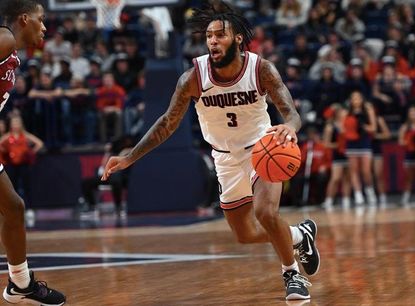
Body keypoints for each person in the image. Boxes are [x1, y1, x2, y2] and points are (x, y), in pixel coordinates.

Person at [101, 2, 319, 300]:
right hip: (224, 158)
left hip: (263, 148)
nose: (213, 41)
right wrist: (129, 157)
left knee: (266, 213)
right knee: (244, 235)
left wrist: (290, 128)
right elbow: (167, 123)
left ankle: (292, 275)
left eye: (220, 35)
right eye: (209, 36)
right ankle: (299, 235)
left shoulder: (261, 69)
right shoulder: (193, 78)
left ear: (238, 38)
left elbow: (291, 113)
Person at [0, 1, 65, 304]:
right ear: (25, 19)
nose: (45, 26)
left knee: (13, 207)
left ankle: (21, 284)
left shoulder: (11, 50)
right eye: (41, 19)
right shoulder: (5, 39)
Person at [0, 116, 43, 224]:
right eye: (14, 123)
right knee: (12, 189)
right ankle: (12, 210)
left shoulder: (25, 136)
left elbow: (39, 143)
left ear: (21, 124)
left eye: (17, 123)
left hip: (24, 165)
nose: (15, 125)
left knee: (27, 187)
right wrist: (4, 151)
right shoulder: (7, 137)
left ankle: (29, 209)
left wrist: (31, 152)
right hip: (12, 165)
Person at [343, 91, 377, 206]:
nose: (356, 100)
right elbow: (343, 129)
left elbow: (373, 128)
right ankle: (358, 195)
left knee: (366, 171)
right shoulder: (346, 112)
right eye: (354, 98)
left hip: (364, 142)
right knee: (354, 171)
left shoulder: (368, 110)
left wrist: (362, 126)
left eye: (358, 98)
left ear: (362, 99)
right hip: (351, 144)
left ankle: (370, 191)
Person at [321, 104, 351, 210]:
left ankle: (346, 200)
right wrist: (338, 145)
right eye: (342, 112)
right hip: (337, 154)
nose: (344, 114)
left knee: (347, 178)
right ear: (337, 114)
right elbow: (325, 143)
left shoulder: (347, 124)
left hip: (348, 154)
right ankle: (328, 200)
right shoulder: (330, 126)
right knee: (335, 178)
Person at [372, 114, 391, 206]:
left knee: (378, 174)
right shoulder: (358, 118)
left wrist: (375, 135)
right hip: (362, 149)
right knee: (366, 175)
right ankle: (371, 197)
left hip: (375, 150)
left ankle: (383, 197)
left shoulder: (378, 119)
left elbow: (387, 134)